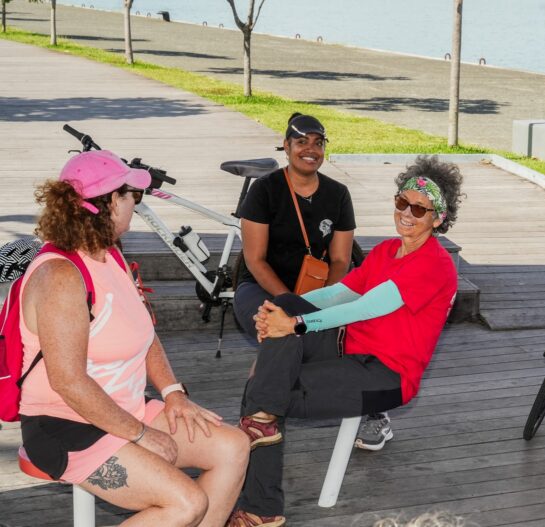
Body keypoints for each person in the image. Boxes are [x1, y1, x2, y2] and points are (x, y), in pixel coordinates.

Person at [227, 155, 463, 526]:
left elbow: (367, 307)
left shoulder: (434, 263)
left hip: (385, 375)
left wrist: (296, 326)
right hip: (346, 347)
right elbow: (339, 294)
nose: (407, 213)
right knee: (284, 315)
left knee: (263, 392)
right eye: (402, 202)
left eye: (420, 209)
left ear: (438, 219)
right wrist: (277, 313)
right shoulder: (386, 251)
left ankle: (260, 507)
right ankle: (260, 499)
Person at [19, 150, 249, 526]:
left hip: (124, 408)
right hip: (65, 423)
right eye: (133, 196)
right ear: (111, 202)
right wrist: (139, 434)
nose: (135, 205)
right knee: (186, 503)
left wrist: (173, 392)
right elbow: (68, 381)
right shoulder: (61, 276)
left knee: (233, 447)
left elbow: (144, 334)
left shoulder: (111, 254)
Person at [233, 112, 356, 339]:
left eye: (318, 143)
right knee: (275, 328)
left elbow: (341, 260)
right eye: (301, 142)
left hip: (320, 288)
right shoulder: (264, 190)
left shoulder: (338, 194)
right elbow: (255, 260)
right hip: (262, 286)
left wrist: (325, 299)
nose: (311, 149)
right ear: (287, 147)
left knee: (325, 333)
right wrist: (292, 302)